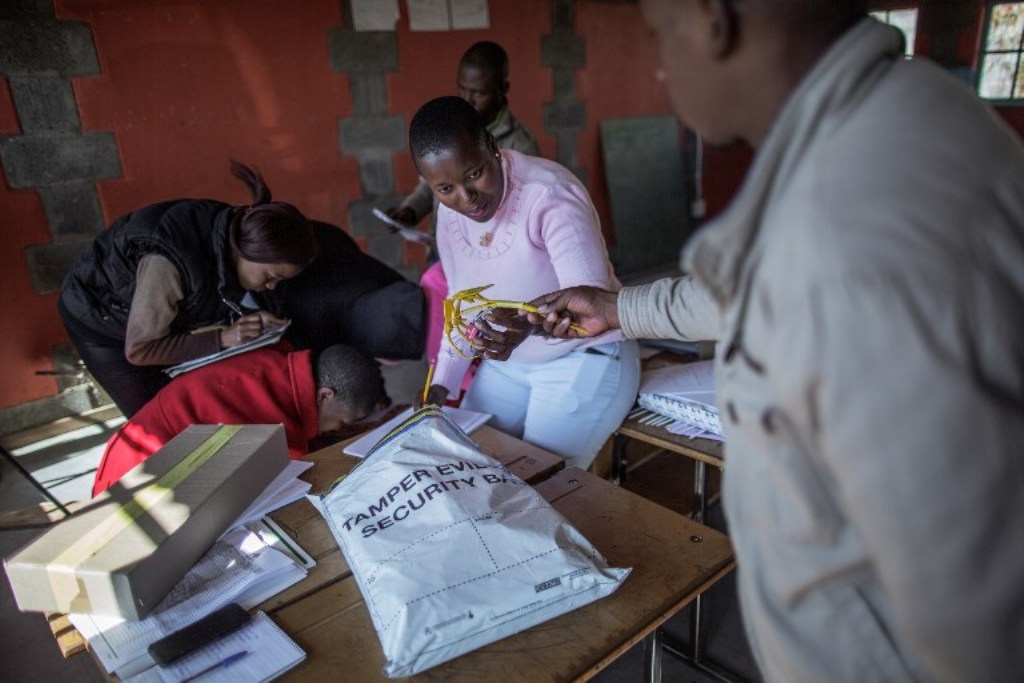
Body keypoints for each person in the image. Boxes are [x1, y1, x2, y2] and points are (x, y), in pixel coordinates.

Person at [527, 1, 1024, 680]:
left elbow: (974, 615)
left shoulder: (849, 221)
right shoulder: (913, 111)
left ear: (711, 20)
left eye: (659, 35)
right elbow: (751, 291)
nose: (661, 67)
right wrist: (621, 309)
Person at [410, 96, 639, 472]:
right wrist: (442, 385)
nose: (467, 199)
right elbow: (460, 304)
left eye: (473, 174)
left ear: (491, 145)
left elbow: (590, 304)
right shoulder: (450, 216)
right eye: (445, 189)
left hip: (583, 358)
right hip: (509, 363)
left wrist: (527, 327)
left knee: (539, 482)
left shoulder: (548, 194)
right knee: (464, 465)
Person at [59, 161, 317, 418]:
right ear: (248, 250)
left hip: (153, 318)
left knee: (195, 401)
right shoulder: (168, 264)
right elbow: (140, 349)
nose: (271, 287)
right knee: (158, 417)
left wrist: (249, 316)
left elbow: (216, 287)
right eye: (271, 276)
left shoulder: (234, 228)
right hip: (100, 319)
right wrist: (222, 339)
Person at [91, 344, 383, 496]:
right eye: (341, 422)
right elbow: (293, 479)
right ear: (324, 395)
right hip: (135, 482)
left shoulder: (278, 369)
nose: (337, 430)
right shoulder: (275, 423)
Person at [387, 41, 541, 231]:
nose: (468, 99)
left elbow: (524, 211)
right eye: (462, 88)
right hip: (443, 246)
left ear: (502, 89)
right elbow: (432, 182)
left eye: (479, 92)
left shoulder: (521, 145)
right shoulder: (451, 127)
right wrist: (411, 210)